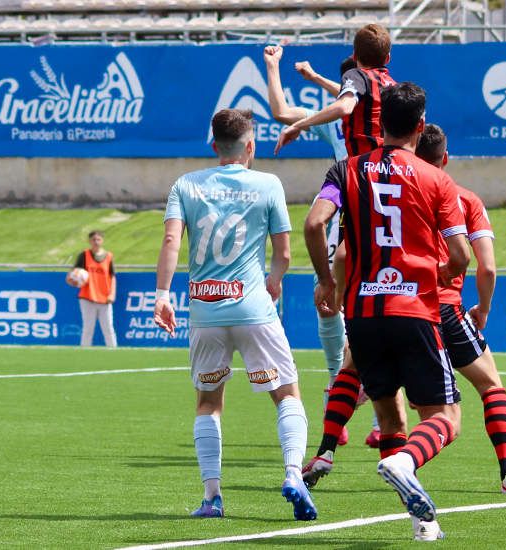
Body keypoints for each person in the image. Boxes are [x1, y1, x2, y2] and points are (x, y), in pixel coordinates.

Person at [307, 82, 470, 541]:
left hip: (363, 316)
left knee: (391, 422)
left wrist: (326, 279)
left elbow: (315, 223)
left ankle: (422, 522)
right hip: (414, 310)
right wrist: (437, 275)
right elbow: (460, 257)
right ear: (420, 126)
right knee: (445, 418)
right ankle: (403, 462)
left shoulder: (345, 169)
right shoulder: (437, 179)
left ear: (379, 125)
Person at [153, 108, 316, 521]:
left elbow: (172, 239)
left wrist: (162, 295)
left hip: (205, 311)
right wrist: (275, 280)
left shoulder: (185, 184)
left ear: (214, 146)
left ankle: (212, 498)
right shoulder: (268, 184)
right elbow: (283, 254)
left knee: (208, 402)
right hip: (253, 308)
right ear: (250, 146)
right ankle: (294, 474)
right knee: (286, 395)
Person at [264, 45, 381, 447]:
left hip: (377, 213)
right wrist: (273, 66)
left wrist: (310, 79)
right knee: (331, 300)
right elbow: (282, 111)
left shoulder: (370, 111)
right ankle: (339, 387)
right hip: (350, 214)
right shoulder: (344, 116)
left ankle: (383, 404)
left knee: (383, 300)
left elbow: (347, 100)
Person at [416, 124, 506, 494]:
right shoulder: (464, 199)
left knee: (378, 391)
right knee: (490, 386)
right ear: (445, 158)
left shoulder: (396, 195)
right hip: (447, 310)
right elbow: (487, 267)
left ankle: (326, 451)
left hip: (397, 308)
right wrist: (482, 308)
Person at [274, 23, 396, 157]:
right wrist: (316, 77)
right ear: (388, 58)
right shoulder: (394, 88)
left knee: (333, 176)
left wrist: (298, 125)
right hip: (389, 167)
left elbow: (344, 106)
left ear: (355, 56)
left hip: (361, 169)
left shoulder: (357, 75)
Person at [67, 230, 117, 348]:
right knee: (88, 328)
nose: (96, 242)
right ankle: (85, 352)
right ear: (90, 241)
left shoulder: (108, 256)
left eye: (98, 239)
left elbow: (112, 277)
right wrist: (72, 280)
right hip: (87, 297)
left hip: (105, 298)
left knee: (108, 327)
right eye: (93, 239)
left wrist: (112, 294)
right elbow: (74, 274)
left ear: (102, 241)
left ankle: (115, 353)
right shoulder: (84, 255)